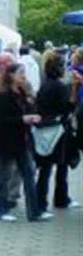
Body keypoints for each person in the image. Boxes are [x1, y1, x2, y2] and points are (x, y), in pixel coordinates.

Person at [0, 64, 53, 223]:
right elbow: (1, 120)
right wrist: (22, 119)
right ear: (11, 75)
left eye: (24, 72)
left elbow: (28, 109)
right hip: (6, 141)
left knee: (29, 173)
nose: (23, 76)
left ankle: (34, 212)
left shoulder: (22, 92)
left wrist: (33, 115)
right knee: (3, 176)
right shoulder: (3, 95)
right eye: (20, 73)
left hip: (22, 140)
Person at [34, 54, 81, 211]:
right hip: (60, 130)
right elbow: (69, 106)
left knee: (45, 167)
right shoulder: (60, 87)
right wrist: (74, 88)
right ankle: (60, 199)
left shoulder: (44, 85)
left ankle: (40, 201)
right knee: (61, 165)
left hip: (45, 128)